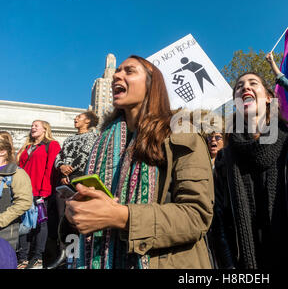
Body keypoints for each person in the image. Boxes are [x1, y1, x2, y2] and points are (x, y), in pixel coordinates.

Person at [63, 55, 214, 269]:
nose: (117, 75)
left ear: (152, 84)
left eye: (129, 71)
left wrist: (122, 217)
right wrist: (75, 212)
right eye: (117, 71)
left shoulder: (183, 134)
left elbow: (196, 216)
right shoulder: (102, 143)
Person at [211, 71, 288, 269]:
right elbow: (219, 221)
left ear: (268, 98)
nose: (245, 88)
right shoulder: (225, 158)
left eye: (252, 83)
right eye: (239, 86)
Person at [48, 111, 98, 269]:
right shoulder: (69, 138)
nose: (76, 119)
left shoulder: (92, 137)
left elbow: (85, 155)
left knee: (75, 218)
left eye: (80, 117)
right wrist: (61, 167)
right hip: (63, 181)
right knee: (63, 217)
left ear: (88, 121)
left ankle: (77, 257)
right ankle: (65, 255)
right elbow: (59, 156)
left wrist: (71, 173)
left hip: (78, 181)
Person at [16, 120, 61, 269]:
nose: (32, 127)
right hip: (24, 191)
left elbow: (51, 169)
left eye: (36, 125)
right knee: (24, 225)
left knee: (41, 223)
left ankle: (38, 258)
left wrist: (45, 191)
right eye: (32, 125)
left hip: (41, 191)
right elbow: (19, 168)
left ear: (44, 129)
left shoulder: (52, 145)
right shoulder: (27, 146)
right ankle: (22, 258)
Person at [0, 132, 33, 250]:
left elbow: (24, 202)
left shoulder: (17, 173)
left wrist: (1, 220)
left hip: (5, 232)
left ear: (3, 151)